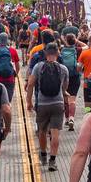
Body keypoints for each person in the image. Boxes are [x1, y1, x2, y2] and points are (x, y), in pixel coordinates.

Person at [26, 42, 68, 172]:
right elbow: (65, 88)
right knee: (55, 133)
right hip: (58, 104)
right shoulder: (63, 69)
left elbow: (31, 84)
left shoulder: (38, 67)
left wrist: (29, 101)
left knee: (42, 131)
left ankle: (43, 154)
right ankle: (53, 161)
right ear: (57, 53)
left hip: (43, 104)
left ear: (45, 53)